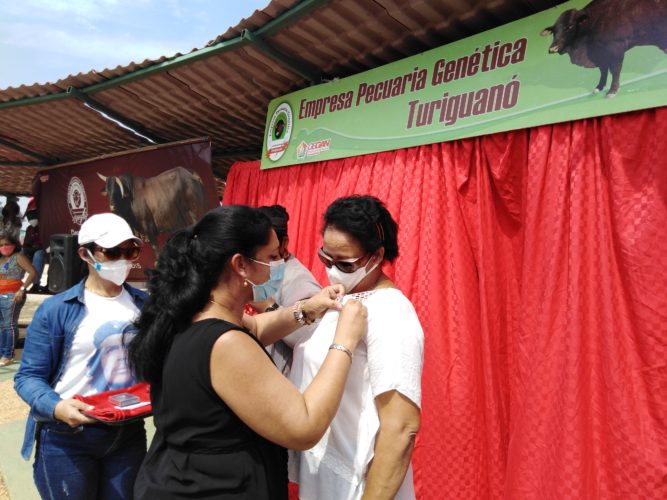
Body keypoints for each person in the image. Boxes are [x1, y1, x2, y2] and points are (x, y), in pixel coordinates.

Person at [128, 205, 367, 499]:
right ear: (240, 264)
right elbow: (304, 426)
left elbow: (256, 328)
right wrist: (344, 340)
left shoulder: (194, 314)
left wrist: (307, 308)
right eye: (272, 257)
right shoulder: (225, 344)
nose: (279, 265)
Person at [286, 195, 424, 500]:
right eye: (326, 259)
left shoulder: (391, 312)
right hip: (325, 474)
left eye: (345, 264)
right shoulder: (341, 299)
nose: (332, 270)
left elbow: (401, 428)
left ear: (376, 256)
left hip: (358, 486)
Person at [14, 212, 147, 499]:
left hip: (128, 432)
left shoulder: (146, 306)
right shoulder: (56, 309)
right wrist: (56, 407)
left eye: (130, 251)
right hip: (67, 438)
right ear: (85, 254)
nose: (123, 259)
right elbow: (28, 377)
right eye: (112, 252)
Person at [251, 204, 322, 373]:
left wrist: (268, 307)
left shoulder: (298, 279)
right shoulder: (257, 273)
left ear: (283, 244)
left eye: (271, 254)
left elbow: (314, 337)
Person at [0, 232, 36, 366]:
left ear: (14, 245)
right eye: (1, 245)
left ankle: (8, 355)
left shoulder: (19, 257)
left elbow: (33, 272)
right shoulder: (1, 259)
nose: (4, 247)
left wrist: (22, 289)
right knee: (2, 325)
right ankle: (2, 352)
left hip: (13, 294)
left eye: (7, 244)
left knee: (9, 324)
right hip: (1, 294)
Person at [22, 209, 48, 292]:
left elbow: (46, 242)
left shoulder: (44, 227)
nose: (31, 220)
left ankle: (35, 284)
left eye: (33, 217)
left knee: (38, 254)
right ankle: (17, 281)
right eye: (29, 218)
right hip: (30, 250)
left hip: (42, 250)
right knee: (19, 254)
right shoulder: (29, 229)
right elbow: (26, 244)